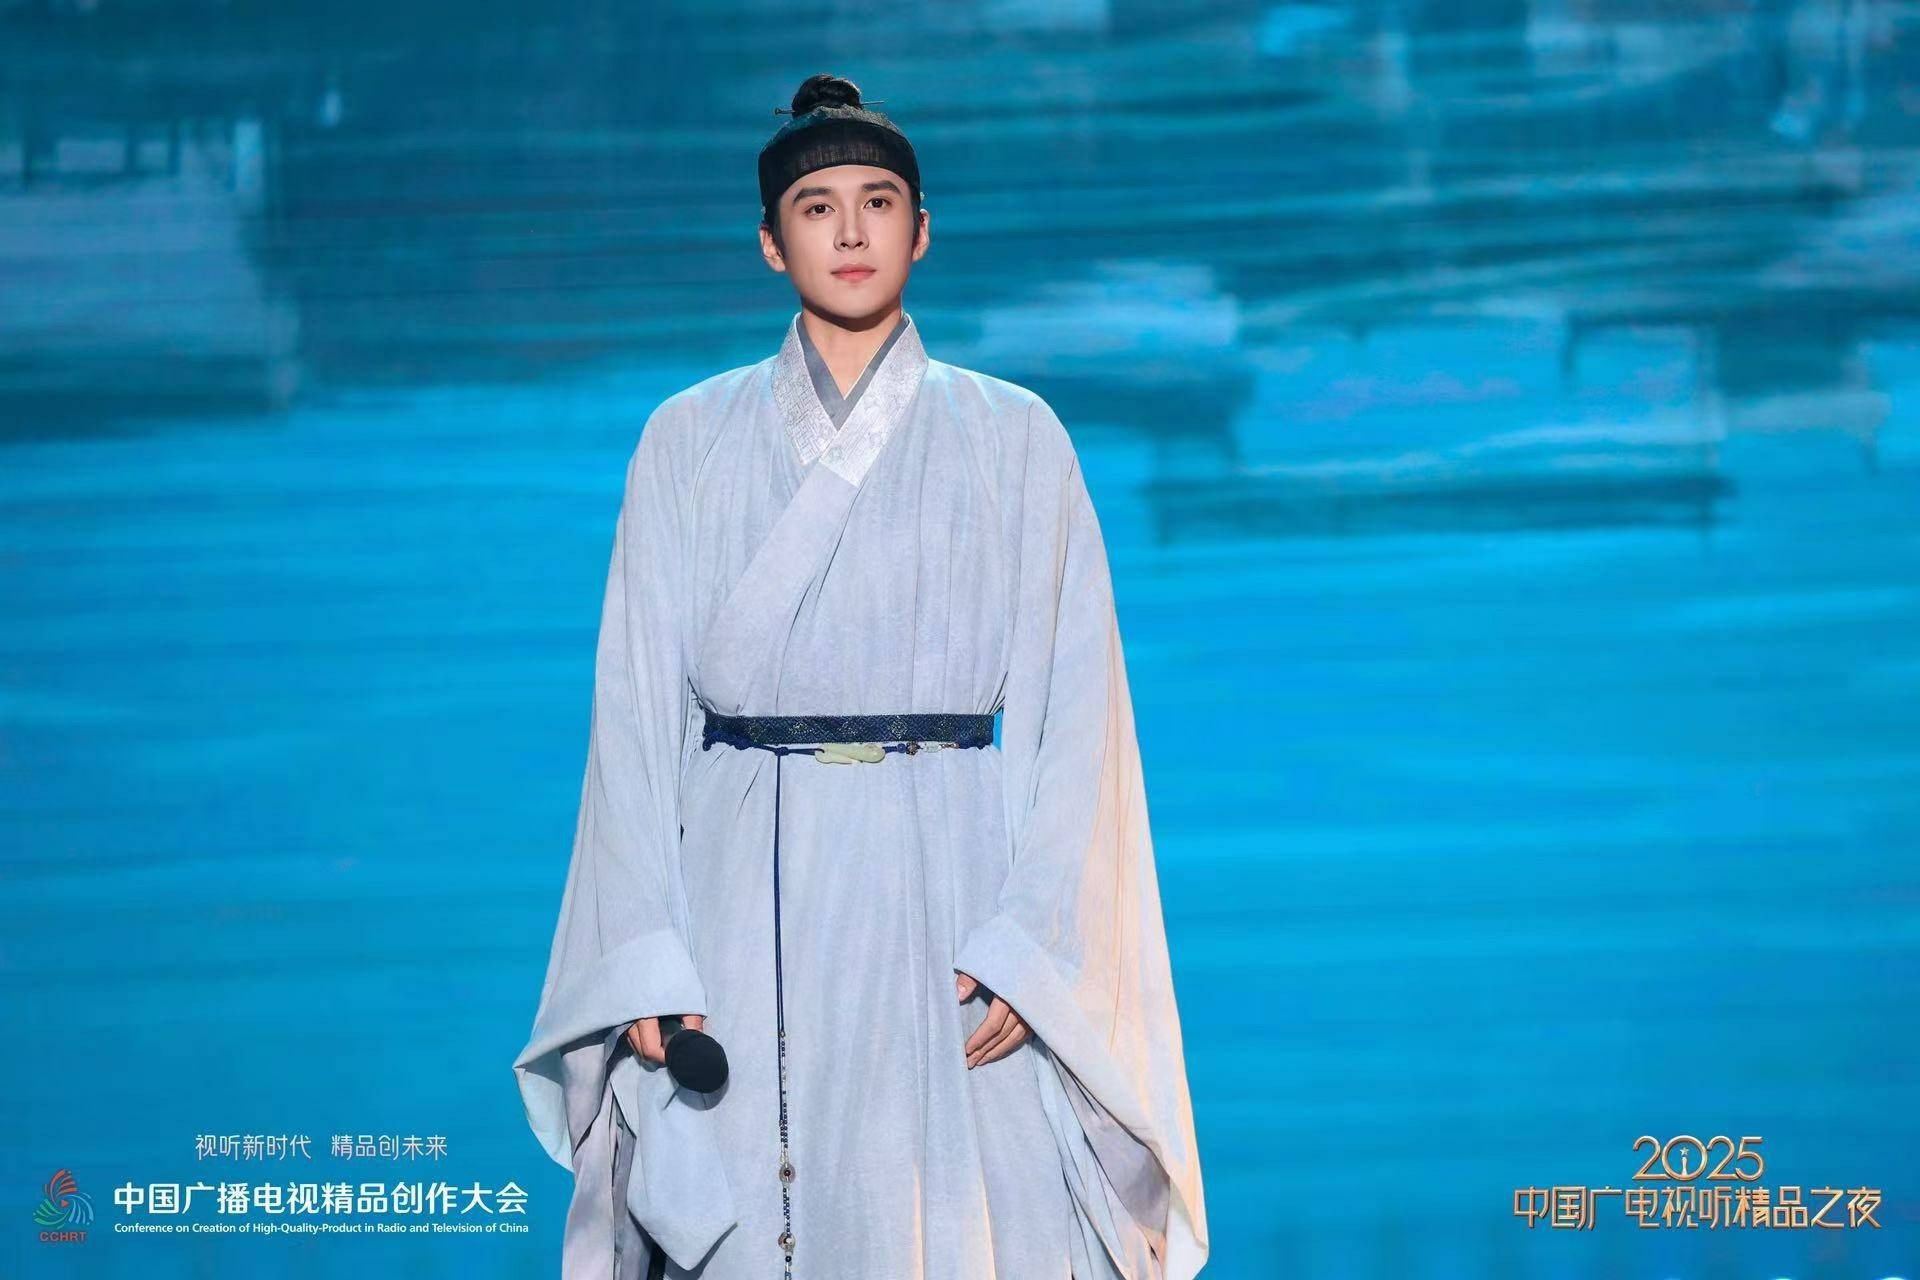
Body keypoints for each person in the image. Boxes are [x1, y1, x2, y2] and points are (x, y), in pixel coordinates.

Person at [512, 72, 1208, 1280]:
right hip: (742, 878)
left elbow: (1080, 716)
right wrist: (646, 951)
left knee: (965, 1208)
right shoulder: (687, 437)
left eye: (878, 202)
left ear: (921, 230)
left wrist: (1035, 941)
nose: (850, 231)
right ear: (769, 243)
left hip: (951, 875)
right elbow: (631, 719)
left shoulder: (1015, 436)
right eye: (817, 206)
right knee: (751, 1198)